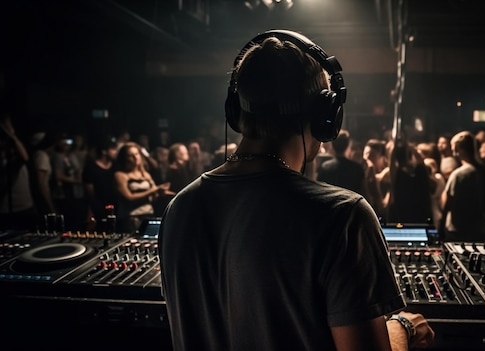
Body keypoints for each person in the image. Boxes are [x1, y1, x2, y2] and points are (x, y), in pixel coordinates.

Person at [158, 30, 434, 351]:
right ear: (325, 117)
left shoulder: (179, 208)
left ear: (235, 110)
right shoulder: (342, 217)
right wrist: (402, 329)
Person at [441, 131, 485, 242]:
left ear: (458, 149)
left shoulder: (459, 175)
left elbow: (447, 204)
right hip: (482, 231)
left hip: (458, 232)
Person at [113, 141, 173, 233]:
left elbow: (154, 195)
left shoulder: (145, 174)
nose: (135, 157)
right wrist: (153, 190)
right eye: (130, 155)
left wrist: (160, 192)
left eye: (136, 154)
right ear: (125, 158)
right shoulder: (120, 175)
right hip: (130, 218)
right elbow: (129, 197)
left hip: (148, 215)